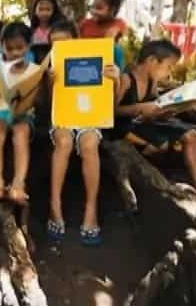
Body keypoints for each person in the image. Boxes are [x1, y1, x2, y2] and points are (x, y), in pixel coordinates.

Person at [110, 39, 196, 211]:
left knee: (191, 134)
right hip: (126, 127)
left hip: (147, 122)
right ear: (152, 61)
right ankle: (160, 184)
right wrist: (139, 108)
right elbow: (111, 112)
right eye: (168, 67)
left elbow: (156, 102)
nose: (169, 73)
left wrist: (167, 110)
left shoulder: (151, 81)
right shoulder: (125, 79)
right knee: (159, 146)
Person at [46, 20, 121, 246]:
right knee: (64, 141)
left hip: (90, 118)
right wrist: (50, 84)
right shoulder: (51, 65)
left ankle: (91, 208)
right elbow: (53, 104)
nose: (58, 48)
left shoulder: (99, 57)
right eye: (54, 44)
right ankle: (55, 203)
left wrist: (115, 80)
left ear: (76, 41)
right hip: (63, 118)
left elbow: (111, 105)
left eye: (64, 43)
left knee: (89, 143)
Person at [0, 22, 42, 206]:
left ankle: (18, 182)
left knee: (21, 133)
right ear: (2, 47)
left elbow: (34, 101)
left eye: (20, 48)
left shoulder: (35, 71)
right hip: (1, 110)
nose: (15, 53)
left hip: (24, 113)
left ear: (28, 46)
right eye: (10, 49)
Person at [80, 0, 128, 71]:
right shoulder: (85, 23)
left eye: (99, 8)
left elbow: (109, 41)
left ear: (112, 10)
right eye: (93, 7)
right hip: (86, 60)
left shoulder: (118, 23)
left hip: (108, 63)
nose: (93, 11)